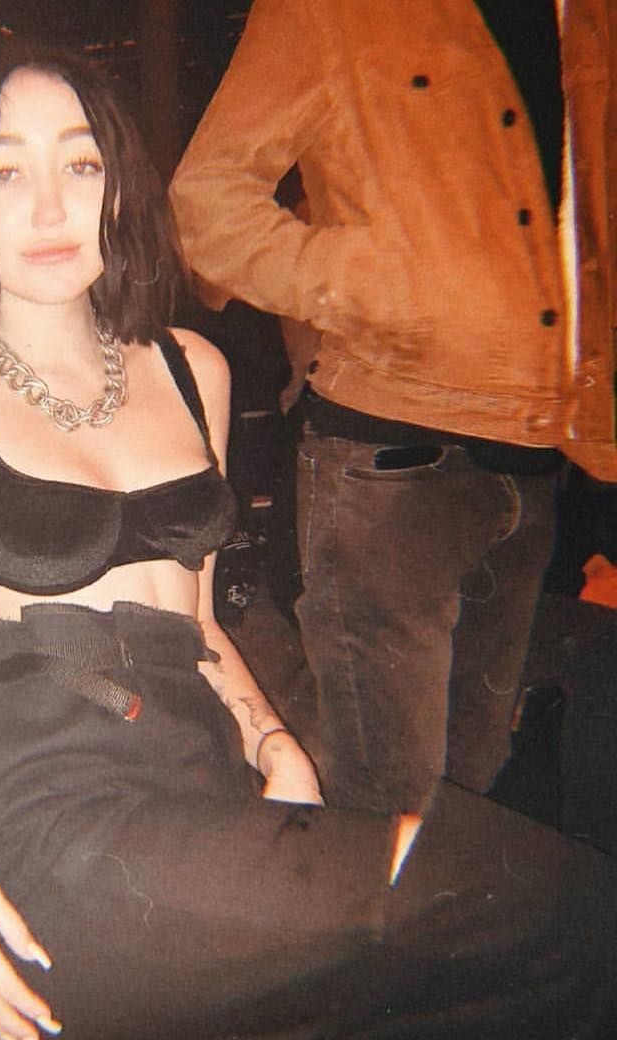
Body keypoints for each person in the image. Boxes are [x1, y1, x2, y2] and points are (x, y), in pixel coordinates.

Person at [0, 41, 617, 1040]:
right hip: (44, 812)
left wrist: (272, 742)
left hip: (199, 786)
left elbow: (197, 623)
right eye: (4, 173)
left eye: (80, 163)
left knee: (440, 999)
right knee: (534, 903)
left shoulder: (188, 367)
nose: (51, 206)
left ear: (119, 190)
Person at [170, 0, 617, 817]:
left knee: (472, 789)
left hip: (542, 455)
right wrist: (377, 283)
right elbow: (206, 206)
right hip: (391, 459)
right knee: (387, 801)